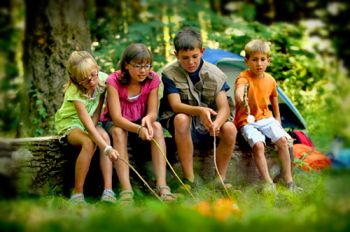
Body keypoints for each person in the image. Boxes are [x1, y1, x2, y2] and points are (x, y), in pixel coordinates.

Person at [159, 27, 237, 190]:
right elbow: (175, 105)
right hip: (184, 122)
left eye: (195, 56)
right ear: (176, 55)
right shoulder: (169, 73)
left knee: (230, 128)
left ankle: (219, 180)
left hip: (208, 123)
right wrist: (201, 111)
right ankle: (189, 180)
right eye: (185, 58)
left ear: (202, 51)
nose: (191, 62)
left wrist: (216, 124)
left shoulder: (215, 73)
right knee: (181, 118)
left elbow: (224, 108)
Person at [100, 43, 176, 203]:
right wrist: (138, 128)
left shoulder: (153, 79)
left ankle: (162, 186)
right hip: (117, 123)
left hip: (139, 121)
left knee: (156, 127)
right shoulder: (113, 81)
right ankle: (126, 190)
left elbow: (153, 112)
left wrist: (147, 120)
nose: (143, 71)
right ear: (126, 65)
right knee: (118, 132)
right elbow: (116, 117)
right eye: (138, 66)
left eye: (147, 66)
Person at [234, 39, 300, 192]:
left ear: (268, 61)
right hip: (247, 121)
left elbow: (274, 97)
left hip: (266, 118)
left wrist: (277, 117)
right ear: (247, 61)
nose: (259, 64)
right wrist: (240, 97)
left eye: (262, 59)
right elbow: (239, 89)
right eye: (254, 59)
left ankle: (289, 180)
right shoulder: (243, 78)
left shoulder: (270, 80)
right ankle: (268, 183)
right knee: (258, 145)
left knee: (283, 141)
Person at [55, 51, 119, 204]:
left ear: (97, 68)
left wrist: (99, 131)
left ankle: (108, 191)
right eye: (85, 80)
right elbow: (87, 127)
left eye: (93, 75)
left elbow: (97, 110)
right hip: (71, 123)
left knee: (104, 137)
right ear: (76, 80)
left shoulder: (103, 80)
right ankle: (77, 194)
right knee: (89, 143)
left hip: (91, 120)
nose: (91, 81)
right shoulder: (74, 92)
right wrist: (107, 149)